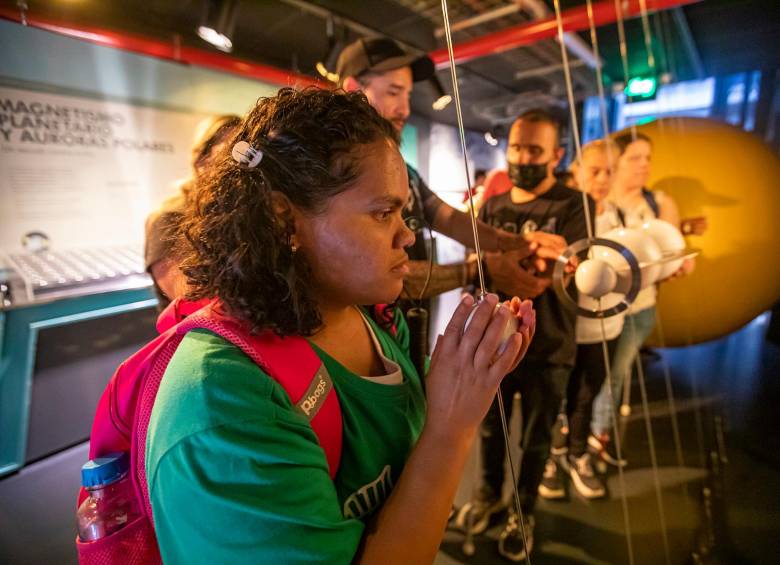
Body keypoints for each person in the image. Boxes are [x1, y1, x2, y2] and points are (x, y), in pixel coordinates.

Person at [145, 87, 537, 563]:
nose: (407, 235)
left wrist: (465, 374)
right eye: (382, 213)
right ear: (283, 220)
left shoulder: (366, 314)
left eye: (403, 212)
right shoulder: (226, 404)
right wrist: (451, 429)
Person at [456, 109, 593, 561]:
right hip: (497, 340)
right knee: (490, 430)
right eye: (516, 147)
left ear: (556, 154)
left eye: (533, 149)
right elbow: (481, 267)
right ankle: (486, 495)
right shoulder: (494, 206)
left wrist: (562, 262)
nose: (522, 157)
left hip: (551, 343)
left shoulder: (576, 207)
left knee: (536, 437)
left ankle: (523, 509)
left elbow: (578, 272)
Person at [335, 37, 565, 305]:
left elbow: (449, 219)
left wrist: (517, 243)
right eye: (393, 92)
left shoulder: (405, 172)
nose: (405, 109)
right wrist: (480, 269)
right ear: (353, 89)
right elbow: (371, 273)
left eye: (407, 95)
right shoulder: (337, 170)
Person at [588, 131, 693, 467]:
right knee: (587, 375)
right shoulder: (595, 200)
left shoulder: (659, 203)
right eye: (636, 158)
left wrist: (677, 264)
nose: (644, 165)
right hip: (594, 309)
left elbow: (676, 253)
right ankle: (576, 440)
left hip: (639, 307)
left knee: (614, 376)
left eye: (648, 158)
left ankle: (596, 439)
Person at [538, 139, 623, 501]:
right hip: (565, 327)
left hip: (607, 326)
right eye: (594, 170)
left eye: (609, 171)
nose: (602, 179)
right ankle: (549, 456)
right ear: (576, 171)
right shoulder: (565, 214)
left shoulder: (617, 215)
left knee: (588, 394)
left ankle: (576, 454)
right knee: (554, 397)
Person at [144, 114, 240, 308]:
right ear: (201, 160)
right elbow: (188, 299)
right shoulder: (169, 217)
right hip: (202, 336)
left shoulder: (238, 211)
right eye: (230, 152)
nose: (239, 163)